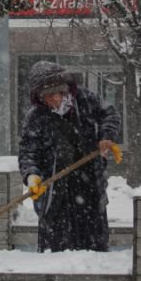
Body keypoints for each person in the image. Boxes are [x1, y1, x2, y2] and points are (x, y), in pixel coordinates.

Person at [18, 61, 121, 253]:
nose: (57, 98)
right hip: (55, 189)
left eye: (60, 92)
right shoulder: (36, 117)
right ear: (40, 97)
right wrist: (32, 175)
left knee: (93, 245)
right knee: (56, 247)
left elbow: (110, 114)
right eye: (50, 95)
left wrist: (106, 137)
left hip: (90, 183)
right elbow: (27, 151)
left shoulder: (85, 100)